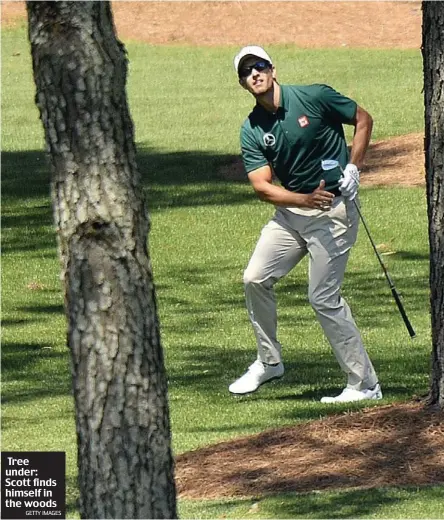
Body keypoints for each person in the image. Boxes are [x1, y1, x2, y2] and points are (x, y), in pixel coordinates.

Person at [229, 45, 382, 403]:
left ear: (273, 68)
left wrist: (354, 167)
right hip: (293, 212)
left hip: (334, 210)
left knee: (323, 297)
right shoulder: (252, 129)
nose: (255, 73)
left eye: (260, 66)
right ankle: (269, 362)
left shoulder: (313, 96)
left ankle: (364, 384)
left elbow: (363, 119)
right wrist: (302, 201)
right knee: (254, 278)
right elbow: (263, 187)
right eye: (247, 71)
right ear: (242, 83)